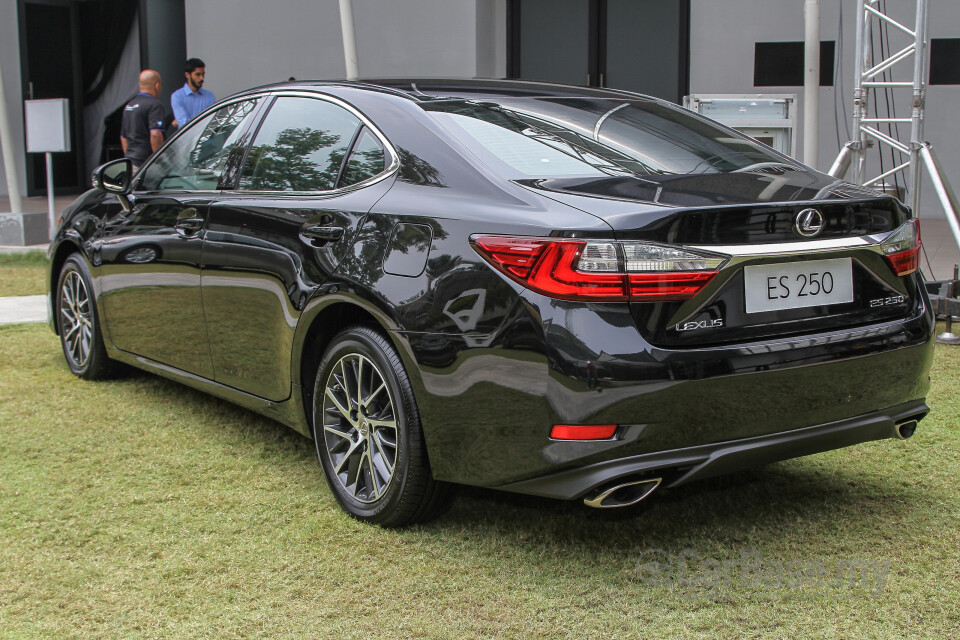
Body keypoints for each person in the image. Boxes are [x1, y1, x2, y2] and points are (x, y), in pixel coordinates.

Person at [120, 70, 165, 172]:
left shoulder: (129, 105)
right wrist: (160, 161)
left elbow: (123, 137)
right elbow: (155, 134)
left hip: (130, 162)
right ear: (157, 85)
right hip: (146, 163)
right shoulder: (154, 105)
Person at [171, 58, 214, 128]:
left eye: (203, 74)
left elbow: (211, 122)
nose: (201, 78)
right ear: (187, 75)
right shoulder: (177, 96)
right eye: (198, 74)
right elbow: (184, 123)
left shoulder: (209, 96)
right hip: (186, 137)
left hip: (206, 137)